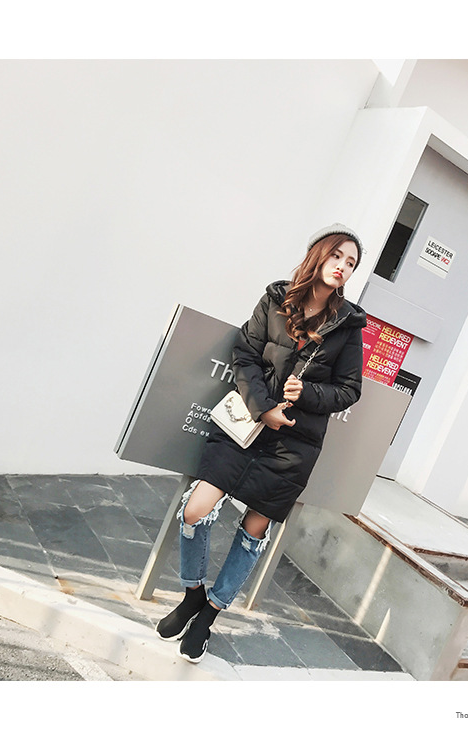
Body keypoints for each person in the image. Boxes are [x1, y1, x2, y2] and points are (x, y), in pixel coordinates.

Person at [156, 223, 368, 663]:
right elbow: (245, 354)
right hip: (245, 427)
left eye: (351, 263)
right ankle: (193, 595)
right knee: (196, 508)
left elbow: (349, 390)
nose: (342, 267)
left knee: (253, 532)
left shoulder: (348, 325)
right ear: (318, 255)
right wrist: (262, 407)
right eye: (337, 256)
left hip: (294, 446)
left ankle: (209, 615)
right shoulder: (276, 299)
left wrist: (308, 394)